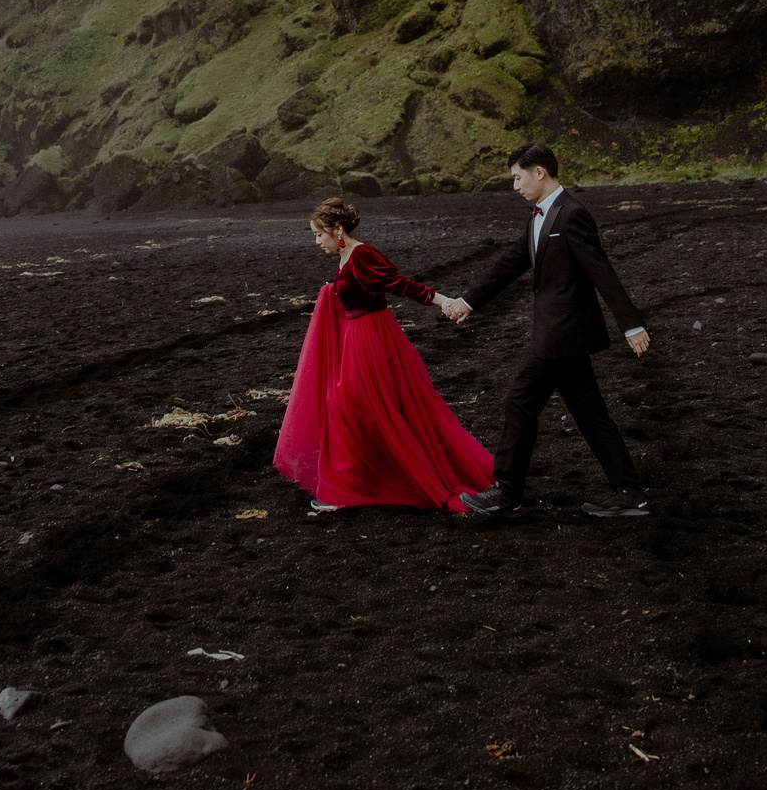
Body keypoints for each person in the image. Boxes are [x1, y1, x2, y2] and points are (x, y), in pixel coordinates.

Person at [450, 143, 652, 517]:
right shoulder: (539, 215)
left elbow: (601, 270)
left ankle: (507, 493)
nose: (515, 186)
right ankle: (630, 492)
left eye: (517, 178)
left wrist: (631, 323)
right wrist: (469, 301)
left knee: (519, 402)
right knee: (591, 414)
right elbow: (512, 262)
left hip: (560, 333)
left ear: (539, 172)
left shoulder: (572, 214)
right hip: (564, 336)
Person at [272, 197, 494, 514]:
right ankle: (353, 484)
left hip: (371, 340)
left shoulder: (362, 255)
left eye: (319, 234)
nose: (317, 241)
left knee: (348, 406)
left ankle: (349, 488)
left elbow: (400, 285)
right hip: (356, 338)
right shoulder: (345, 256)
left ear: (338, 231)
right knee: (349, 406)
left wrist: (445, 301)